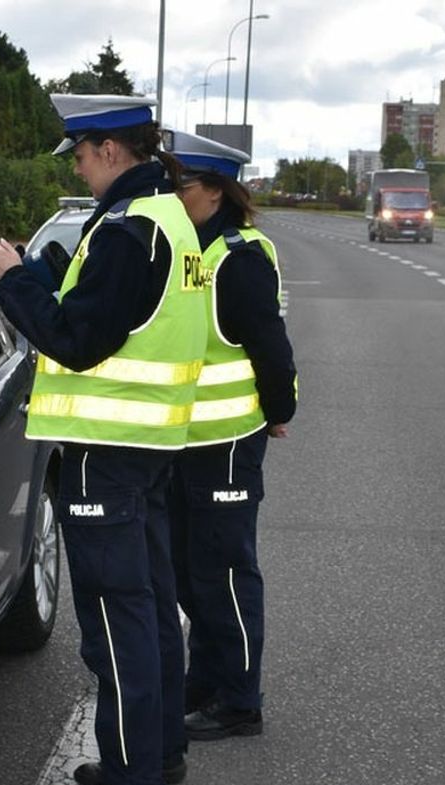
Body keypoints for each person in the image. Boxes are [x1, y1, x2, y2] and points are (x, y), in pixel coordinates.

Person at [0, 94, 208, 785]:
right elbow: (107, 321)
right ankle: (159, 749)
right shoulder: (165, 217)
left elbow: (77, 344)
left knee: (116, 621)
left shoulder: (127, 230)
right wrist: (49, 277)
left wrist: (15, 279)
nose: (77, 169)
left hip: (105, 454)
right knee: (144, 607)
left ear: (111, 150)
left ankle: (131, 782)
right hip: (144, 449)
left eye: (79, 155)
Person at [163, 130, 298, 741]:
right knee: (190, 568)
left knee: (225, 571)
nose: (173, 194)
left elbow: (271, 346)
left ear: (214, 192)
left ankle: (241, 698)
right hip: (188, 441)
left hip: (227, 442)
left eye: (181, 185)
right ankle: (208, 676)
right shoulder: (193, 247)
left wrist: (278, 409)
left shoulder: (237, 257)